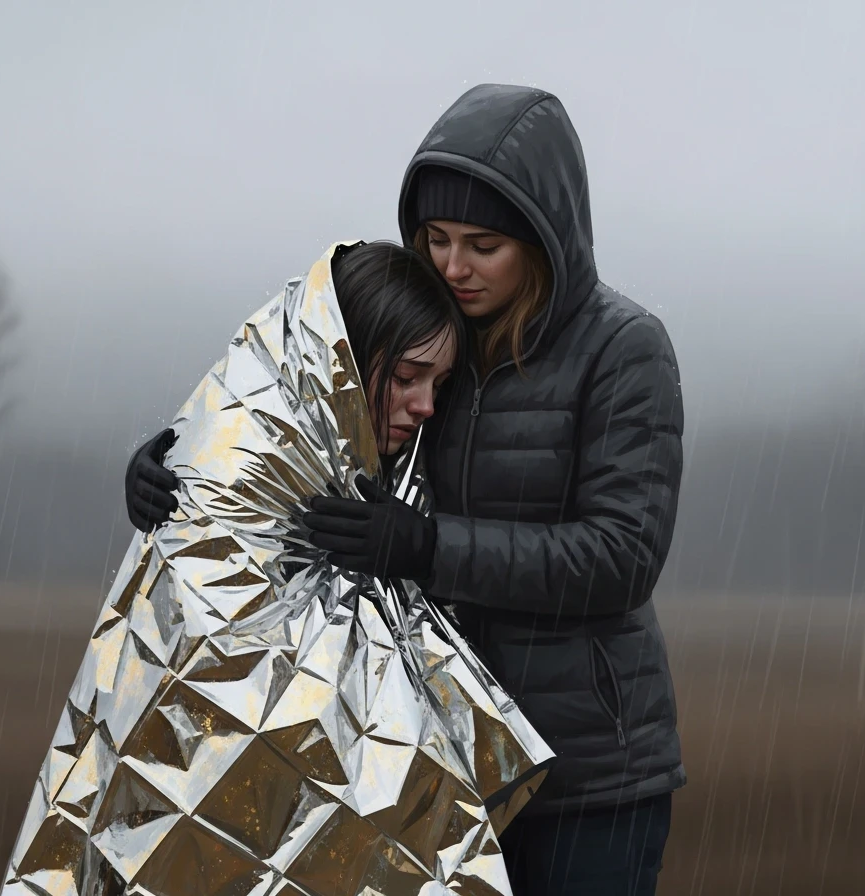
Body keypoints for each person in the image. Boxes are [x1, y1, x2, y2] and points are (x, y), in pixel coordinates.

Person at [124, 85, 685, 896]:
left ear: (544, 240)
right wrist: (178, 472)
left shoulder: (624, 350)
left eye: (482, 245)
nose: (453, 266)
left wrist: (429, 548)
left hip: (588, 777)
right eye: (436, 238)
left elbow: (621, 557)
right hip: (424, 764)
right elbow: (298, 436)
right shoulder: (418, 334)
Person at [126, 239, 465, 533]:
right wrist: (191, 466)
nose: (427, 406)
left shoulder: (433, 468)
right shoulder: (244, 465)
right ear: (338, 365)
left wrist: (430, 552)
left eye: (439, 385)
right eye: (405, 377)